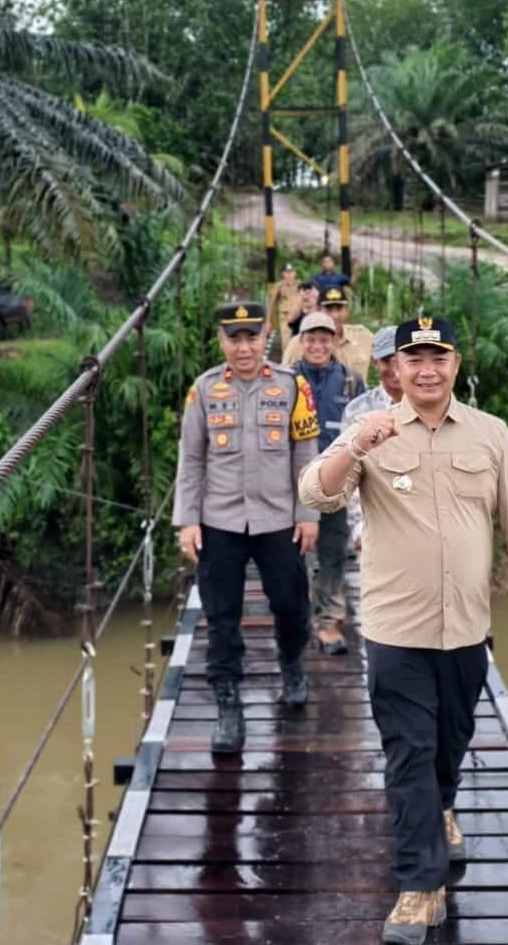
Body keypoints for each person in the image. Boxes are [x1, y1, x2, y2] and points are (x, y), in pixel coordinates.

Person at [299, 316, 508, 944]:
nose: (426, 369)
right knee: (408, 753)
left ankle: (443, 805)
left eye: (437, 357)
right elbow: (316, 494)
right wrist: (357, 445)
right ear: (398, 370)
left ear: (455, 365)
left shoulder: (491, 435)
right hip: (396, 629)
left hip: (467, 628)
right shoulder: (372, 430)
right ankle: (418, 885)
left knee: (449, 741)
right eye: (414, 358)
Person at [173, 301, 320, 754]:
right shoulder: (204, 390)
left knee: (292, 606)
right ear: (222, 340)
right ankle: (228, 706)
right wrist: (187, 521)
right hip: (220, 521)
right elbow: (191, 458)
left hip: (279, 518)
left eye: (251, 337)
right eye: (233, 338)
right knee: (221, 619)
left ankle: (291, 661)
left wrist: (308, 513)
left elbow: (306, 452)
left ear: (266, 337)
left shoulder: (292, 385)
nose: (243, 347)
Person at [291, 309, 366, 654]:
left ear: (335, 341)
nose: (318, 345)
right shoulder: (286, 380)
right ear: (301, 342)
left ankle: (328, 621)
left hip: (337, 482)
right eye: (311, 339)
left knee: (333, 553)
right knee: (299, 552)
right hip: (294, 484)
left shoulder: (352, 382)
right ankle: (301, 614)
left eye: (325, 339)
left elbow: (364, 434)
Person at [341, 326, 403, 548]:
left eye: (401, 359)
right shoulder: (357, 411)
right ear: (375, 363)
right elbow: (349, 471)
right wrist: (358, 528)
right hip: (375, 524)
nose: (395, 369)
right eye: (387, 360)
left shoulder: (431, 407)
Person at [283, 284, 372, 377]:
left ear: (346, 310)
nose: (334, 315)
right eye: (328, 309)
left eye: (339, 308)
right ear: (318, 310)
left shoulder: (362, 336)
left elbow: (384, 359)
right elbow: (284, 378)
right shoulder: (300, 343)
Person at [272, 263, 303, 350]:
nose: (289, 274)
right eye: (287, 272)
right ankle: (286, 362)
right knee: (286, 342)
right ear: (283, 274)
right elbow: (272, 305)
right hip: (285, 317)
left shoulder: (299, 284)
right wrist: (269, 322)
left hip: (298, 316)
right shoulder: (278, 286)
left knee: (300, 341)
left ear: (295, 273)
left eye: (291, 272)